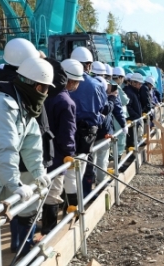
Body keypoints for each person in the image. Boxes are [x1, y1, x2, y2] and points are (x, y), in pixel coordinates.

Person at [0, 57, 54, 255]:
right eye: (45, 89)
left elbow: (32, 144)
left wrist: (38, 173)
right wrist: (15, 185)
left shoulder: (23, 106)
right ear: (36, 87)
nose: (46, 94)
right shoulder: (2, 105)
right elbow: (5, 148)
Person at [42, 59, 83, 234]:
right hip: (57, 156)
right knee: (53, 194)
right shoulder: (66, 102)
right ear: (71, 81)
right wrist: (69, 154)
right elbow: (67, 134)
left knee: (40, 194)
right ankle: (48, 232)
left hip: (39, 153)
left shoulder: (43, 94)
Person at [69, 47, 107, 196]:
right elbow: (102, 107)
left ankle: (69, 200)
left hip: (66, 131)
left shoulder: (62, 82)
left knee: (66, 168)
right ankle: (84, 196)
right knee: (85, 165)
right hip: (87, 133)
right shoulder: (96, 84)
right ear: (88, 65)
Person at [112, 67, 129, 161]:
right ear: (119, 77)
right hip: (118, 119)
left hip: (113, 118)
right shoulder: (116, 86)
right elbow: (125, 100)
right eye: (122, 78)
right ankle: (117, 163)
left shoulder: (109, 84)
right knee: (120, 138)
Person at [123, 73, 143, 150]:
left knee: (133, 140)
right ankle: (130, 158)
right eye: (139, 83)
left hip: (134, 120)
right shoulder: (129, 92)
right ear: (134, 83)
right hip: (131, 121)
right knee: (130, 141)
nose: (140, 85)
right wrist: (136, 116)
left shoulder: (134, 91)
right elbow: (128, 107)